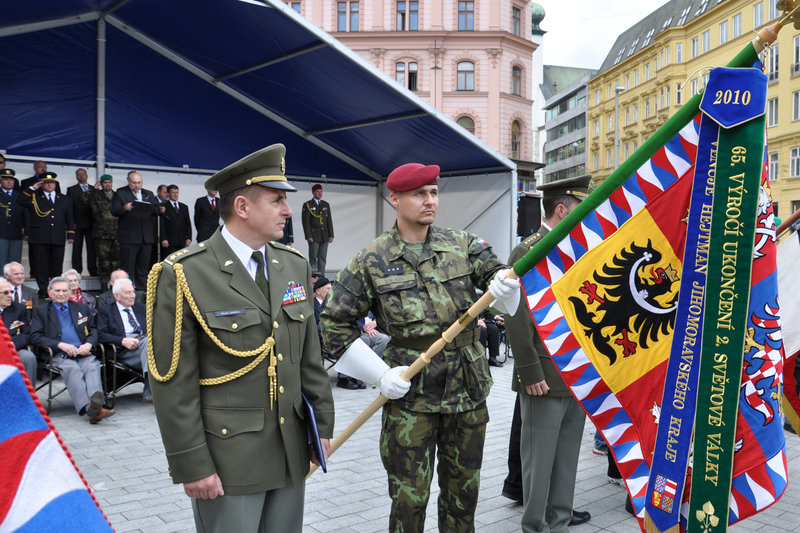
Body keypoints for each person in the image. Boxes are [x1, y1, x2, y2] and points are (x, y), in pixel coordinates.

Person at [321, 162, 520, 532]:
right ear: (394, 198)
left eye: (433, 192)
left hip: (467, 390)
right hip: (411, 396)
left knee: (464, 494)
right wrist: (379, 374)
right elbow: (333, 323)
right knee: (408, 498)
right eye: (419, 194)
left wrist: (503, 284)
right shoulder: (371, 259)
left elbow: (498, 273)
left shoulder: (462, 244)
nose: (430, 201)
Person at [148, 143, 334, 533]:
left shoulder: (293, 265)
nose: (287, 210)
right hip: (227, 459)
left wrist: (323, 429)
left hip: (290, 449)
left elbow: (308, 358)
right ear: (243, 207)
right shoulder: (184, 273)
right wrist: (192, 463)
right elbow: (172, 381)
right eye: (277, 200)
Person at [504, 175, 594, 532]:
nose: (587, 216)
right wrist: (529, 370)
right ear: (561, 209)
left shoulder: (578, 248)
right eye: (581, 209)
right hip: (544, 373)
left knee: (567, 457)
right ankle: (536, 526)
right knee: (539, 462)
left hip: (579, 371)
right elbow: (517, 315)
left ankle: (559, 523)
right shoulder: (527, 251)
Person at [30, 276, 114, 423]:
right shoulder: (41, 311)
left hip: (83, 352)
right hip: (58, 354)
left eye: (64, 290)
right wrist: (60, 345)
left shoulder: (81, 308)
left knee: (92, 365)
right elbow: (35, 336)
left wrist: (88, 344)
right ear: (49, 292)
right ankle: (90, 409)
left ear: (70, 292)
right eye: (57, 290)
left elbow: (93, 330)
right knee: (72, 369)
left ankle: (95, 406)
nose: (61, 293)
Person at [20, 173, 75, 299]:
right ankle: (44, 290)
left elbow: (69, 217)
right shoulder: (35, 196)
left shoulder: (64, 198)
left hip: (57, 235)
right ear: (42, 184)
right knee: (41, 266)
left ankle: (56, 290)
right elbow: (21, 200)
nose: (50, 184)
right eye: (46, 182)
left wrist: (71, 233)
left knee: (57, 265)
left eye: (52, 182)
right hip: (39, 236)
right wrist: (32, 188)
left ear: (55, 184)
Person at [97, 278, 150, 401]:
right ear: (116, 296)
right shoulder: (106, 311)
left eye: (133, 292)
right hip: (125, 350)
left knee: (155, 342)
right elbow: (100, 334)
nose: (133, 296)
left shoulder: (141, 308)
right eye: (128, 293)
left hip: (145, 345)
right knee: (150, 344)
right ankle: (150, 388)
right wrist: (122, 341)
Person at [111, 171, 162, 290]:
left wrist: (161, 210)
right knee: (127, 268)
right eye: (134, 182)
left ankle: (142, 295)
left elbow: (155, 208)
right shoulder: (120, 193)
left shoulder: (148, 193)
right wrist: (124, 208)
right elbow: (114, 210)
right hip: (129, 238)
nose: (137, 185)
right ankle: (126, 292)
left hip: (146, 238)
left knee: (143, 269)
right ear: (128, 181)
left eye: (139, 182)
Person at [84, 174, 120, 287]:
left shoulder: (118, 195)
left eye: (109, 182)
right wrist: (93, 189)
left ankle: (114, 286)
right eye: (105, 182)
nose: (107, 184)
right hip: (101, 234)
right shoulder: (96, 195)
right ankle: (104, 286)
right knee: (103, 261)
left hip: (117, 233)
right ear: (101, 184)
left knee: (116, 261)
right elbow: (84, 200)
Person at [0, 278, 37, 383]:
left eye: (11, 292)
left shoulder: (19, 309)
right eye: (5, 293)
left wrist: (11, 345)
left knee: (28, 357)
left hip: (14, 348)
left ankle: (28, 396)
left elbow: (26, 333)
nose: (10, 296)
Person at [66, 168, 97, 276]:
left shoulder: (94, 189)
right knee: (77, 249)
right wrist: (71, 222)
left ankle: (93, 271)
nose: (81, 176)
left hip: (91, 223)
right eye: (78, 175)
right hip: (77, 224)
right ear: (76, 177)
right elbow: (69, 207)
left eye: (83, 174)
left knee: (92, 249)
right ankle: (77, 272)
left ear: (87, 175)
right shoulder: (71, 189)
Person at [301, 183, 333, 275]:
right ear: (313, 193)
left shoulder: (325, 204)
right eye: (318, 192)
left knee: (322, 258)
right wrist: (308, 235)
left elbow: (329, 220)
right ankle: (314, 278)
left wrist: (331, 234)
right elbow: (305, 222)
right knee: (313, 258)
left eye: (321, 192)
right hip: (314, 236)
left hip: (324, 235)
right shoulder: (308, 205)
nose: (320, 194)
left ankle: (321, 277)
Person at [0, 169, 28, 267]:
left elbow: (25, 215)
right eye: (6, 179)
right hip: (1, 233)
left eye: (11, 180)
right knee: (1, 261)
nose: (9, 182)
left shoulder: (19, 196)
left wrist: (27, 232)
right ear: (1, 180)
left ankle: (15, 282)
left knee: (15, 261)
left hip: (16, 233)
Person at [160, 184, 192, 257]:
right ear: (168, 194)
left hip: (182, 241)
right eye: (173, 192)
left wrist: (189, 238)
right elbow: (161, 224)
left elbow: (188, 224)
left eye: (177, 192)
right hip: (169, 242)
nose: (175, 194)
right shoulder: (163, 206)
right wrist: (163, 239)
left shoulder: (184, 207)